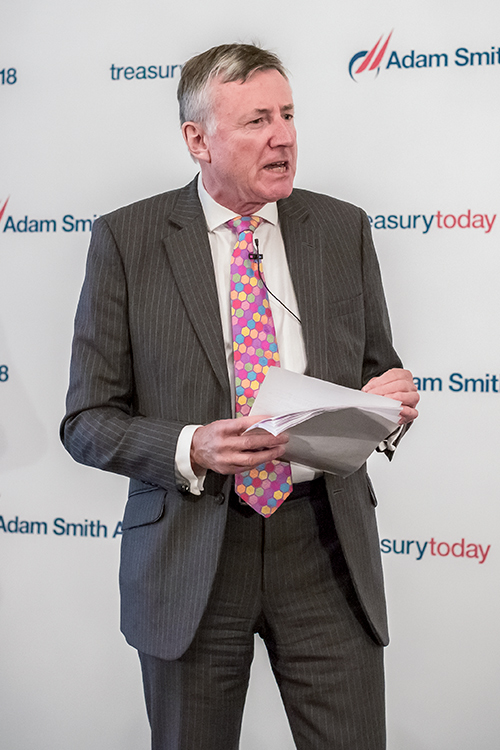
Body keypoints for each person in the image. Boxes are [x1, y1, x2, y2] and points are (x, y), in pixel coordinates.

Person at [61, 43, 419, 750]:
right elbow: (86, 421)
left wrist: (393, 403)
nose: (283, 136)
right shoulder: (128, 240)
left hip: (324, 548)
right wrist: (191, 445)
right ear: (198, 140)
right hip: (192, 550)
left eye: (288, 114)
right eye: (257, 120)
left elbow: (381, 373)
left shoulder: (341, 229)